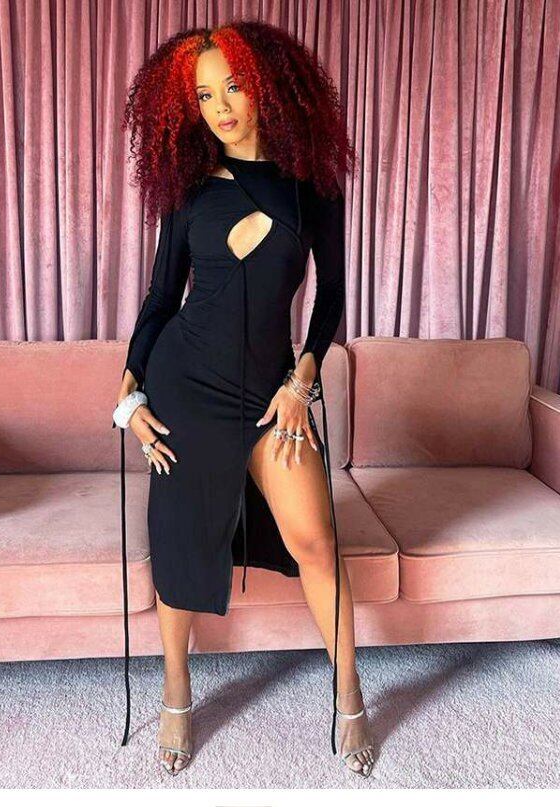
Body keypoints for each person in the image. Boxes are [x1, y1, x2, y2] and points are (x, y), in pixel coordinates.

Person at [112, 20, 373, 778]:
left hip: (269, 394)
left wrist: (302, 382)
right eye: (203, 95)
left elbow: (331, 296)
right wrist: (130, 382)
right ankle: (176, 690)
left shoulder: (312, 185)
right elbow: (161, 297)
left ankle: (349, 691)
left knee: (315, 538)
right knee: (180, 542)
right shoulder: (189, 190)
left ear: (267, 86)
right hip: (184, 386)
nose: (220, 106)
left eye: (233, 86)